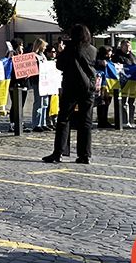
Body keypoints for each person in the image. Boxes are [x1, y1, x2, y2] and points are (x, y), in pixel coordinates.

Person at [42, 24, 97, 164]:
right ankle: (85, 155)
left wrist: (61, 52)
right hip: (88, 87)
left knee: (64, 119)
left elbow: (59, 65)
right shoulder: (92, 49)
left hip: (71, 86)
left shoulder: (70, 49)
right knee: (86, 121)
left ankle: (59, 152)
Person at [111, 39, 136, 129]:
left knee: (132, 103)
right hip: (123, 83)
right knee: (124, 102)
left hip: (133, 83)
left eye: (129, 46)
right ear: (121, 46)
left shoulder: (133, 56)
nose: (128, 47)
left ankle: (131, 120)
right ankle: (124, 121)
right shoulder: (117, 56)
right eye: (126, 46)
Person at [29, 39, 50, 132]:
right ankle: (36, 123)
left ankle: (43, 122)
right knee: (38, 102)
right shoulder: (34, 56)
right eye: (44, 46)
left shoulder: (43, 56)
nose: (45, 48)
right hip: (37, 81)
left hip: (45, 81)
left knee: (45, 102)